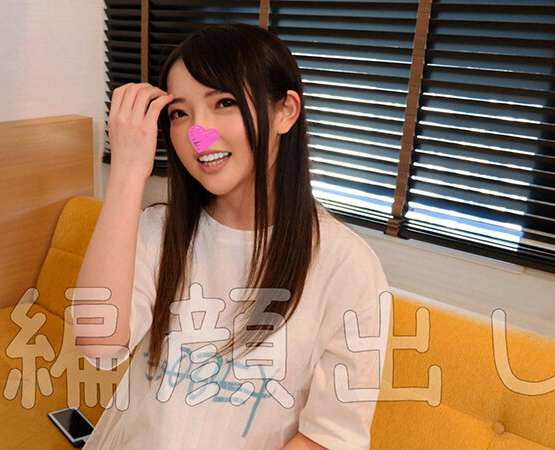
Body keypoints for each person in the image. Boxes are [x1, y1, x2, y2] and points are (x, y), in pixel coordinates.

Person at [74, 22, 392, 450]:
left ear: (285, 111)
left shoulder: (346, 266)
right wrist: (127, 173)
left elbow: (328, 437)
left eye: (224, 102)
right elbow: (98, 342)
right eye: (179, 113)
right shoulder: (159, 232)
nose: (198, 134)